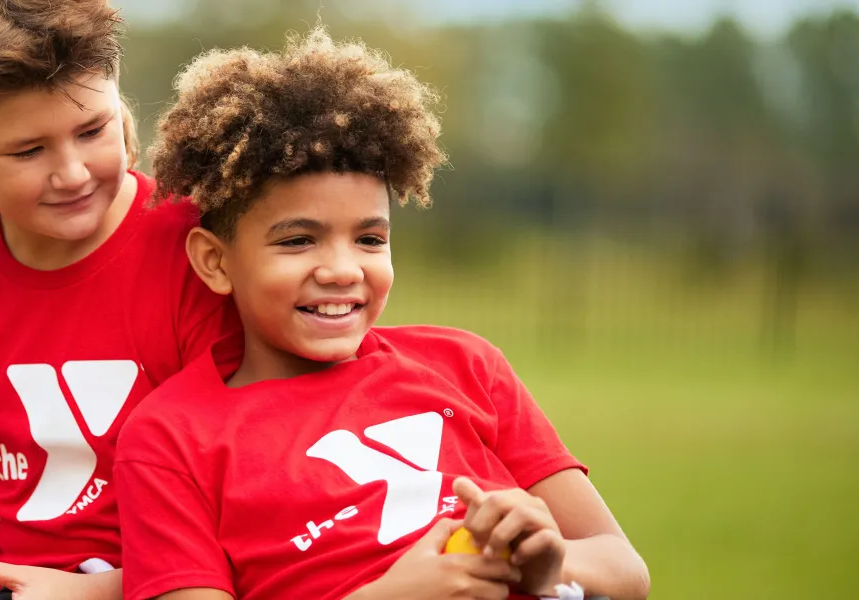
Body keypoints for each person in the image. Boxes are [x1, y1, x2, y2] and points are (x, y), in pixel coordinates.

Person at [114, 27, 651, 600]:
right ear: (215, 262)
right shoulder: (170, 437)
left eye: (370, 239)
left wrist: (549, 562)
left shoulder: (467, 366)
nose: (343, 269)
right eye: (298, 241)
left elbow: (625, 570)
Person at [0, 1, 237, 598]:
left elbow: (260, 520)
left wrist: (90, 593)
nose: (73, 173)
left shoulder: (204, 257)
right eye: (29, 151)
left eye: (93, 130)